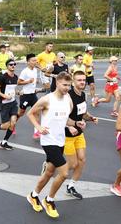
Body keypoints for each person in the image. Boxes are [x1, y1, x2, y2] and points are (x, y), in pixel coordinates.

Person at [26, 72, 76, 219]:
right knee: (64, 173)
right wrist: (38, 127)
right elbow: (30, 113)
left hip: (60, 140)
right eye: (65, 85)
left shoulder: (68, 99)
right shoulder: (46, 99)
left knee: (49, 172)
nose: (67, 88)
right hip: (48, 141)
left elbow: (65, 119)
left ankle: (33, 195)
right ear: (58, 83)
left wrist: (74, 124)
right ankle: (49, 200)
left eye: (69, 85)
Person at [64, 70, 98, 199]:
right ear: (73, 81)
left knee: (82, 160)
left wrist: (91, 118)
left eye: (84, 80)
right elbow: (62, 117)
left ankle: (71, 186)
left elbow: (83, 113)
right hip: (67, 135)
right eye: (79, 80)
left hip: (79, 133)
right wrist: (70, 125)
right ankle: (51, 164)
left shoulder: (83, 95)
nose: (82, 82)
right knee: (72, 164)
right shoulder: (68, 97)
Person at [17, 53, 40, 139]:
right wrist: (28, 81)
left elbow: (34, 80)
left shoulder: (35, 70)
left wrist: (35, 82)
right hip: (25, 96)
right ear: (28, 62)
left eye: (35, 60)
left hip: (33, 95)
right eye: (33, 60)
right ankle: (12, 124)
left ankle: (36, 132)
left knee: (37, 112)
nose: (35, 62)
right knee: (21, 113)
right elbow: (18, 82)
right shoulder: (25, 71)